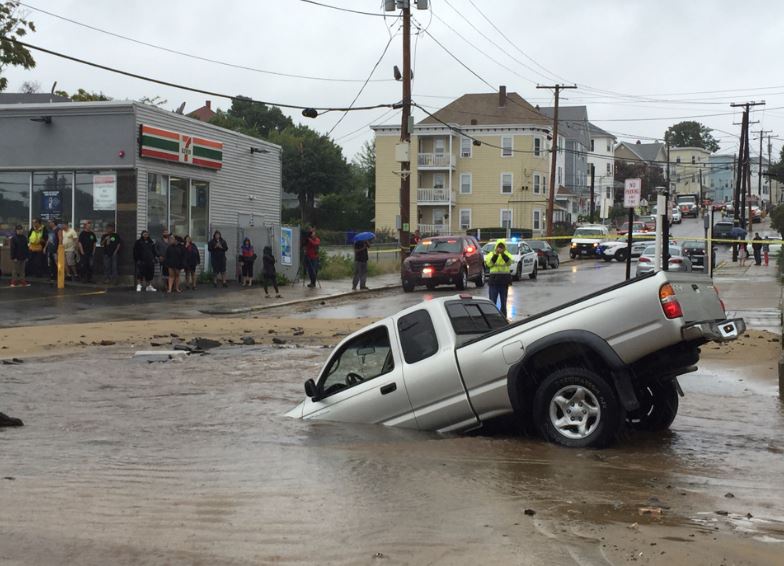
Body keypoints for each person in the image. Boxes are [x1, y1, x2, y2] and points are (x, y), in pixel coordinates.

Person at [485, 239, 513, 318]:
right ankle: (492, 317)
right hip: (494, 281)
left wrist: (503, 254)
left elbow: (509, 263)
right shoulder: (491, 254)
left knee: (503, 302)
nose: (500, 248)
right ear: (496, 247)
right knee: (492, 302)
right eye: (499, 246)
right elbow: (489, 264)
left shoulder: (507, 254)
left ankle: (503, 317)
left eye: (502, 246)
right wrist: (496, 254)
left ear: (505, 247)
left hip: (504, 281)